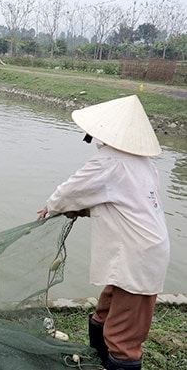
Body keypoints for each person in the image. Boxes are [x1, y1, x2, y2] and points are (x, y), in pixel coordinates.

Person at [36, 95, 169, 370]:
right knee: (103, 315)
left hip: (138, 256)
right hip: (137, 250)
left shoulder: (110, 161)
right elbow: (120, 202)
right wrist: (80, 210)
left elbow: (71, 191)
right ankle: (98, 362)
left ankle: (117, 362)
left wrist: (50, 208)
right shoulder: (143, 163)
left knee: (122, 339)